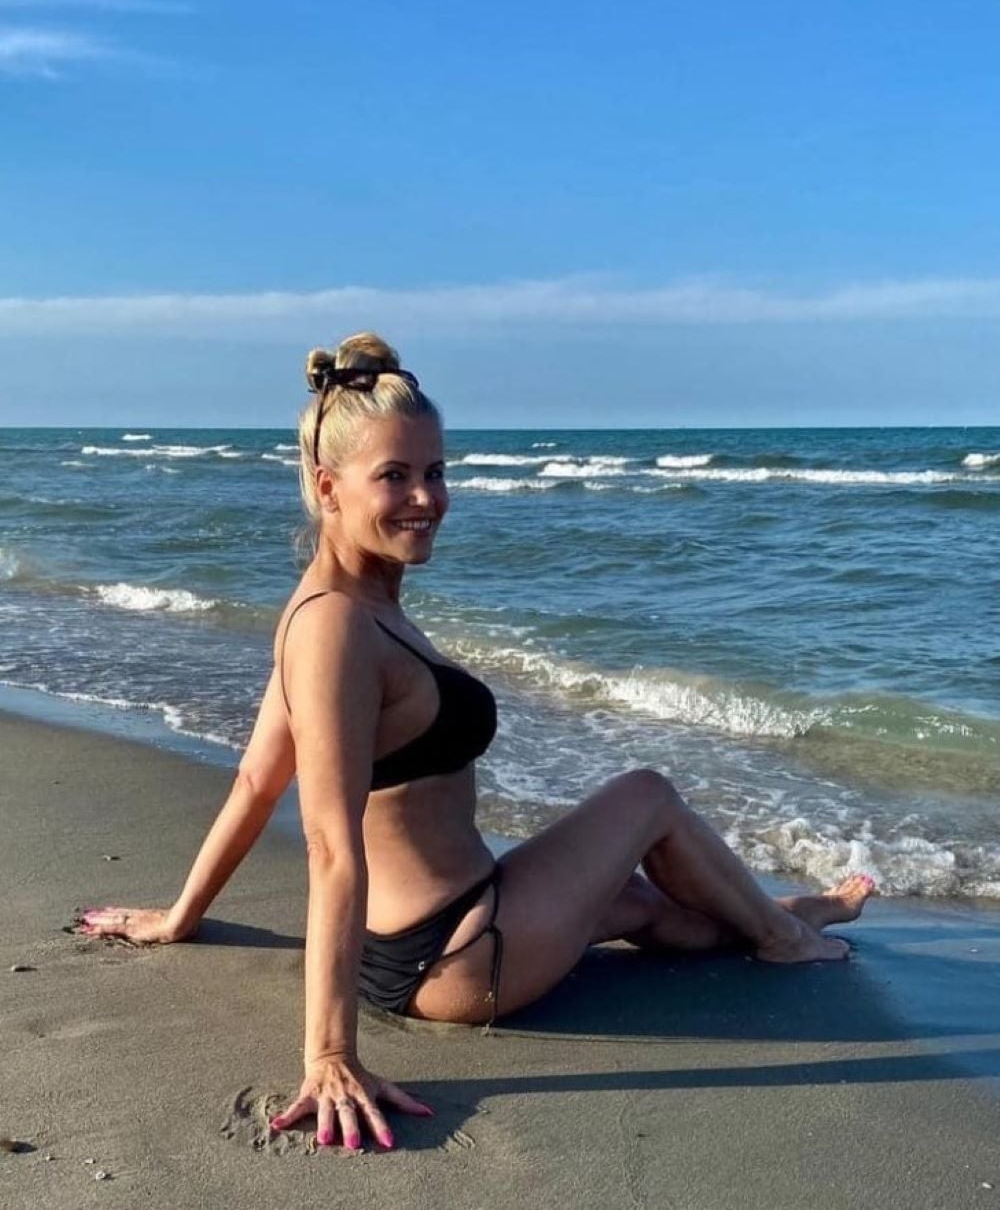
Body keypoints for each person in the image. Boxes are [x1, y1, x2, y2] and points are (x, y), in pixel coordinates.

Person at [79, 331, 875, 1152]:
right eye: (394, 475)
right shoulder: (335, 630)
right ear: (328, 487)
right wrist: (329, 1054)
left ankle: (793, 914)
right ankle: (785, 940)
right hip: (457, 955)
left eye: (435, 471)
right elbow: (328, 843)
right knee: (647, 796)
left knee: (649, 907)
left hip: (450, 929)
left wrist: (182, 916)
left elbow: (255, 781)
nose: (425, 497)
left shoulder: (343, 606)